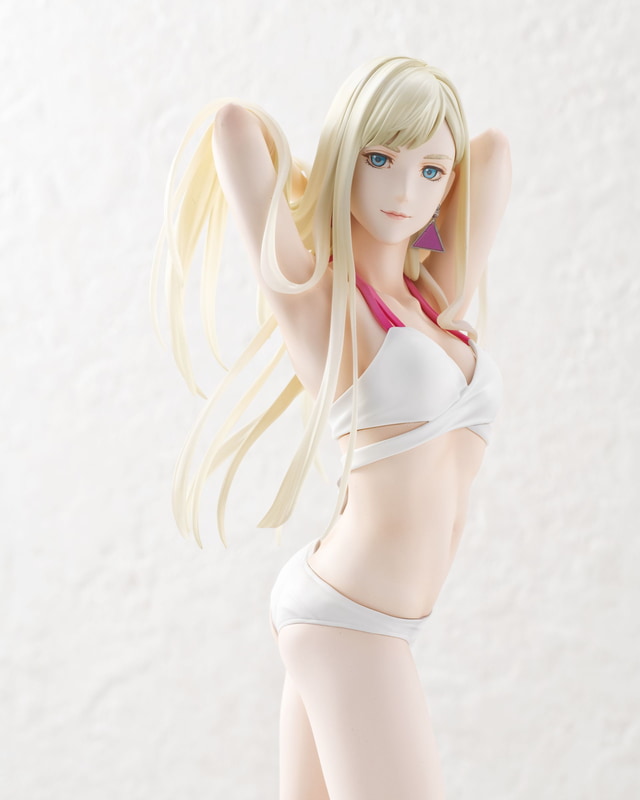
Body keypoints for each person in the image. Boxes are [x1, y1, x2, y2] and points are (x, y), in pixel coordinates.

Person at [153, 55, 511, 800]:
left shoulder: (437, 300)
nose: (405, 191)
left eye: (430, 172)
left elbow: (492, 153)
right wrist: (328, 172)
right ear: (346, 156)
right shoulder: (323, 306)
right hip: (352, 619)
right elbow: (235, 128)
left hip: (364, 615)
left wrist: (419, 135)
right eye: (380, 160)